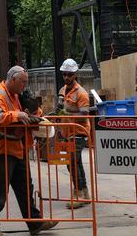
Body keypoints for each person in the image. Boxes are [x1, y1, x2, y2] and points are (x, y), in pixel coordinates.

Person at [0, 65, 58, 236]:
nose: (25, 85)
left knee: (25, 189)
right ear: (13, 80)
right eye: (23, 82)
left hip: (17, 148)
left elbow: (34, 115)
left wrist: (32, 106)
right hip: (1, 149)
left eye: (26, 82)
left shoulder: (17, 95)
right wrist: (17, 115)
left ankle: (35, 223)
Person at [57, 58, 91, 209]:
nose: (66, 77)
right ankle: (84, 193)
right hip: (67, 132)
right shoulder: (63, 90)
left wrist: (67, 112)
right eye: (64, 74)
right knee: (75, 163)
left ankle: (78, 194)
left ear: (75, 74)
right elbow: (60, 107)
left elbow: (85, 115)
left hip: (79, 132)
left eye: (69, 75)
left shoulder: (81, 93)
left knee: (71, 162)